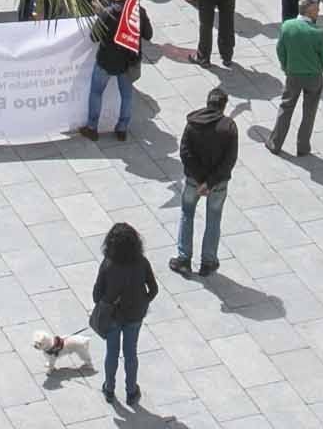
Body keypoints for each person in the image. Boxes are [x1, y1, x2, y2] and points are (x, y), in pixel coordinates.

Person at [90, 221, 159, 408]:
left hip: (112, 317)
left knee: (111, 353)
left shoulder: (108, 264)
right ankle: (131, 391)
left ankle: (109, 389)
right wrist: (143, 302)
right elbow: (153, 289)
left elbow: (96, 295)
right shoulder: (142, 263)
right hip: (135, 316)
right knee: (131, 353)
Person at [171, 84, 237, 276]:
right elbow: (229, 160)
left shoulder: (193, 124)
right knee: (213, 219)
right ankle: (208, 262)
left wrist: (200, 180)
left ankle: (183, 259)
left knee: (187, 213)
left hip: (193, 181)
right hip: (218, 184)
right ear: (224, 106)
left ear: (208, 103)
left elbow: (185, 152)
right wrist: (210, 182)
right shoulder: (229, 128)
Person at [79, 0, 150, 141]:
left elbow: (94, 37)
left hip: (106, 60)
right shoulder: (138, 11)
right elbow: (148, 34)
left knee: (96, 92)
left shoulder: (108, 13)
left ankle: (92, 127)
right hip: (129, 61)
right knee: (127, 95)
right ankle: (122, 128)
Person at [271, 0, 323, 158]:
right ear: (309, 12)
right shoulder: (318, 33)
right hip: (313, 77)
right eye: (317, 10)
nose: (318, 12)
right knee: (309, 112)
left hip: (293, 75)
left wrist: (285, 66)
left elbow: (280, 49)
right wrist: (319, 69)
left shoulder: (287, 27)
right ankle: (303, 147)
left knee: (286, 107)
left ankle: (275, 143)